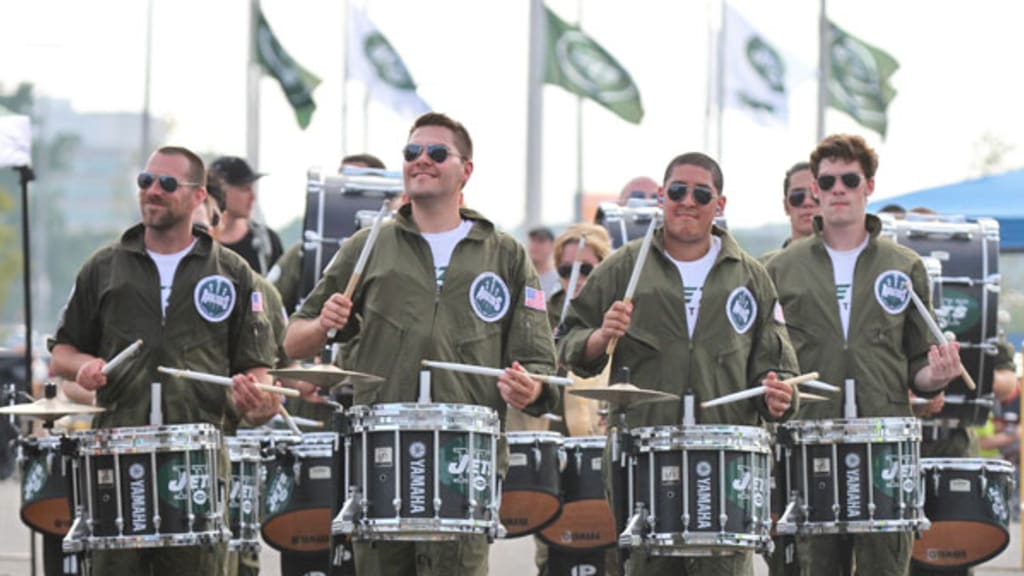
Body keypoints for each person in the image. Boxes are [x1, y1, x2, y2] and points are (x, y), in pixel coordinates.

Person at [284, 112, 559, 576]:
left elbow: (540, 369)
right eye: (412, 153)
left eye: (436, 153)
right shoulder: (367, 244)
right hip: (381, 451)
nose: (421, 161)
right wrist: (323, 325)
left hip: (464, 454)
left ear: (465, 169)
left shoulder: (505, 252)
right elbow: (294, 340)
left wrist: (529, 389)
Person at [559, 151, 799, 576]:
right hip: (645, 455)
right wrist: (601, 336)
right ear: (661, 198)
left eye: (701, 193)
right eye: (677, 191)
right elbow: (569, 343)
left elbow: (778, 370)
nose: (687, 201)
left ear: (719, 205)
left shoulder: (750, 276)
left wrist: (779, 396)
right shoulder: (624, 267)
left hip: (726, 464)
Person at [49, 146, 280, 575]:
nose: (153, 191)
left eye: (167, 184)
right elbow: (60, 354)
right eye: (146, 181)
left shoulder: (233, 273)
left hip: (196, 462)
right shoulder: (103, 267)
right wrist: (81, 366)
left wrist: (255, 399)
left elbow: (259, 374)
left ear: (198, 196)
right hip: (118, 457)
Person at [766, 134, 963, 576]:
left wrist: (936, 373)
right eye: (827, 181)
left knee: (885, 567)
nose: (838, 189)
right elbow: (766, 360)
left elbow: (917, 369)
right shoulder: (780, 268)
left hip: (885, 447)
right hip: (810, 440)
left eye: (849, 180)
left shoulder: (904, 265)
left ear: (868, 186)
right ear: (815, 189)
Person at [209, 155, 283, 275]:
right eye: (245, 189)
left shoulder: (267, 242)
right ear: (220, 189)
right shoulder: (195, 240)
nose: (252, 197)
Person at [761, 161, 820, 263]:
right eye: (797, 196)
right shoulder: (764, 269)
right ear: (786, 206)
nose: (807, 202)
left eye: (816, 194)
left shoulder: (847, 264)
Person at [528, 226, 561, 295]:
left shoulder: (559, 280)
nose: (535, 246)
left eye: (541, 241)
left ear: (553, 246)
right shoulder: (520, 276)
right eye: (533, 241)